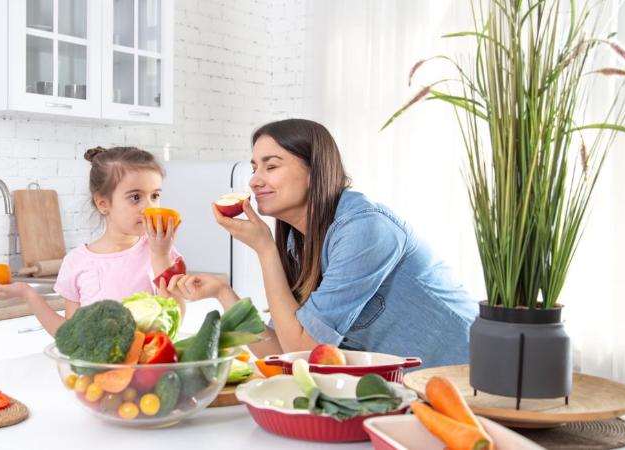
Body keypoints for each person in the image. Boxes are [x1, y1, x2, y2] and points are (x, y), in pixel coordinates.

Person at [165, 119, 478, 368]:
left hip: (471, 379)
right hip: (413, 391)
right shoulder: (299, 245)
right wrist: (223, 294)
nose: (254, 180)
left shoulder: (364, 229)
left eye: (270, 166)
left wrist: (264, 249)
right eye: (254, 167)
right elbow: (278, 351)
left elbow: (301, 350)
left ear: (314, 171)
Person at [0, 146, 182, 336]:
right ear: (103, 204)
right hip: (96, 372)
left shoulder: (160, 251)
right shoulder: (77, 262)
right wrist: (27, 293)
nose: (150, 207)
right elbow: (71, 336)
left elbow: (176, 317)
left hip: (152, 370)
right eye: (135, 197)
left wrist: (160, 255)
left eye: (155, 196)